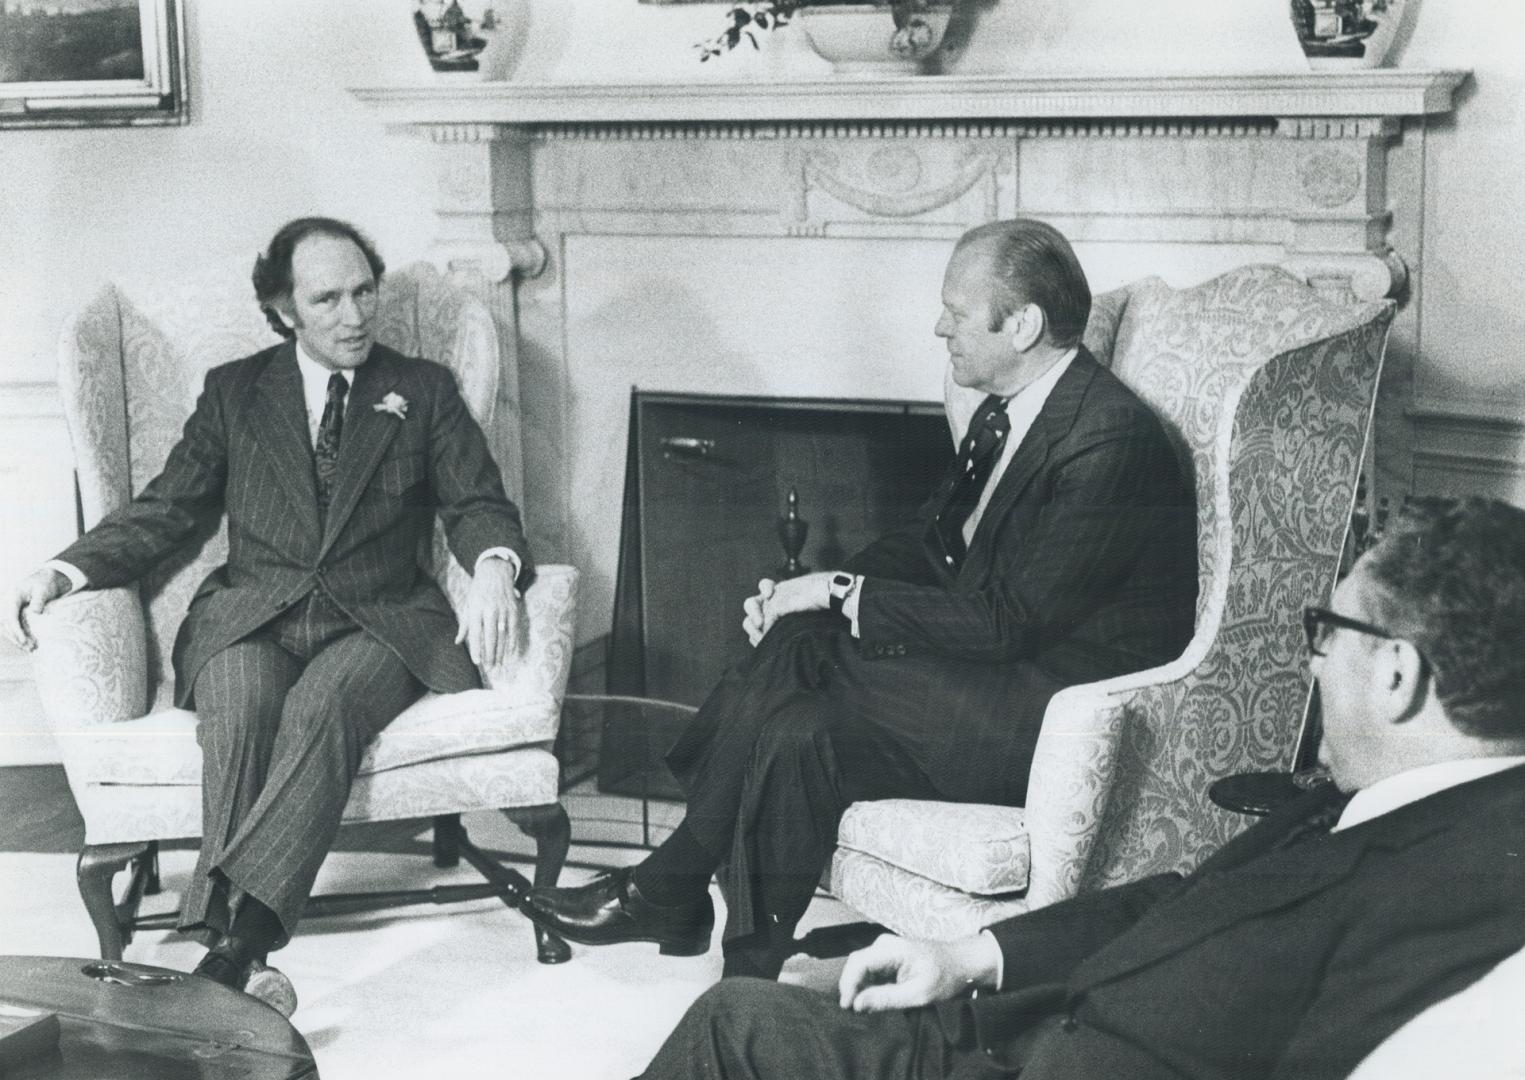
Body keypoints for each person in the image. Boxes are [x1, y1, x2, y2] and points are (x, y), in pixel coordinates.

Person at [638, 495, 1525, 1080]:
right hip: (1010, 1026)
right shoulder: (1387, 800)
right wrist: (969, 955)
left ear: (1397, 674)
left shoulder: (1465, 880)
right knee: (741, 1016)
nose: (1311, 657)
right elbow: (1183, 905)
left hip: (1047, 1062)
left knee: (735, 1033)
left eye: (1326, 632)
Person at [526, 218, 1199, 979]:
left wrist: (837, 593)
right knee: (794, 726)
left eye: (955, 308)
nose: (937, 326)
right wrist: (802, 593)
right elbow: (927, 541)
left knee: (808, 652)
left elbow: (1005, 622)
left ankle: (672, 881)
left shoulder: (1105, 441)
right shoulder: (1010, 411)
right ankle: (747, 980)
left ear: (1023, 325)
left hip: (1056, 718)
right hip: (989, 684)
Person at [3, 217, 533, 1015]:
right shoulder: (236, 391)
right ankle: (235, 956)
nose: (355, 315)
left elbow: (478, 502)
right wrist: (63, 568)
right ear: (284, 309)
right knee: (242, 706)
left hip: (380, 620)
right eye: (328, 299)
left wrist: (494, 563)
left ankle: (234, 947)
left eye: (364, 291)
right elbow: (166, 510)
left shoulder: (420, 390)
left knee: (323, 706)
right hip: (251, 614)